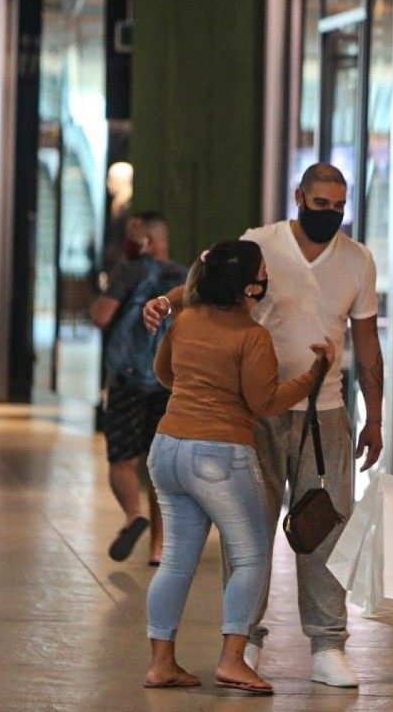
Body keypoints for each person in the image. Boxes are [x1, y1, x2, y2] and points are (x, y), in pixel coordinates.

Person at [143, 162, 384, 687]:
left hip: (326, 415)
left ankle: (327, 641)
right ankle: (243, 641)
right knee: (248, 540)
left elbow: (367, 343)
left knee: (325, 527)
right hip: (255, 416)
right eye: (321, 204)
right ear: (300, 196)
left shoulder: (358, 260)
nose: (332, 214)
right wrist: (166, 300)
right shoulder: (260, 244)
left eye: (340, 207)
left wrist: (376, 414)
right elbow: (204, 286)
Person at [143, 240, 334, 695]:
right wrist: (315, 374)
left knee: (175, 560)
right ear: (250, 288)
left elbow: (164, 374)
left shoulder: (185, 319)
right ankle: (232, 659)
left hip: (168, 448)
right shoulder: (252, 337)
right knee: (251, 556)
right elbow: (264, 403)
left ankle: (161, 664)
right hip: (220, 454)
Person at [91, 211, 188, 566]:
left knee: (122, 458)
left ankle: (134, 515)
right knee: (160, 465)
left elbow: (102, 316)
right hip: (169, 378)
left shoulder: (128, 272)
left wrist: (103, 300)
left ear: (149, 239)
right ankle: (158, 547)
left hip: (128, 378)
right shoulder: (185, 277)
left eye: (133, 234)